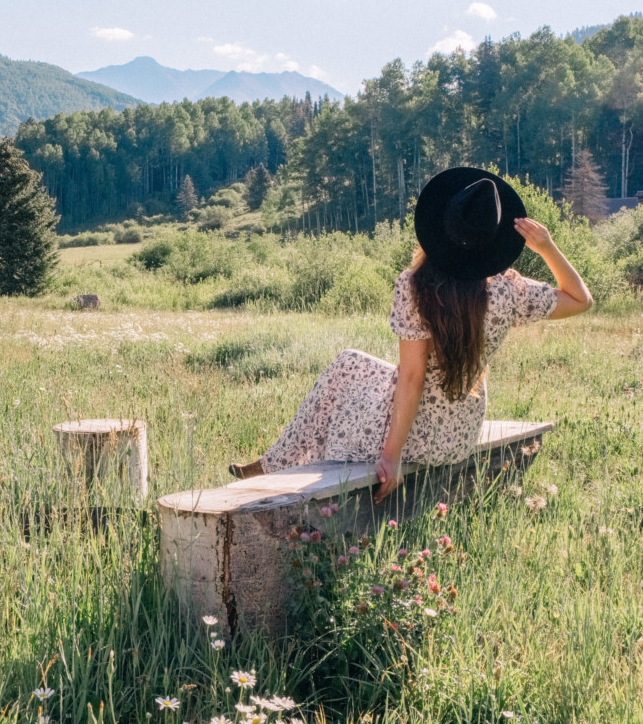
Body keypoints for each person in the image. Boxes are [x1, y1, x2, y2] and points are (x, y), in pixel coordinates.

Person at [229, 167, 592, 500]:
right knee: (350, 363)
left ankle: (271, 468)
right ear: (491, 241)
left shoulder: (417, 286)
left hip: (418, 437)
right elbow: (581, 299)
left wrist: (391, 457)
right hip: (459, 432)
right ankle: (269, 464)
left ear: (440, 228)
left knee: (339, 389)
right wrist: (546, 247)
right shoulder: (509, 289)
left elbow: (413, 378)